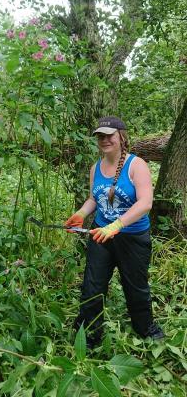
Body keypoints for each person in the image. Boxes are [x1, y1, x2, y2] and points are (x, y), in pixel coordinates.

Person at [65, 116, 164, 349]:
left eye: (109, 134)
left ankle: (145, 328)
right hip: (101, 235)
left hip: (132, 237)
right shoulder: (95, 168)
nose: (105, 139)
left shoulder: (136, 165)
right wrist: (80, 213)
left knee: (135, 286)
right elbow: (93, 199)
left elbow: (145, 203)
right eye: (100, 135)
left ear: (122, 136)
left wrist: (117, 225)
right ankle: (90, 333)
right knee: (92, 284)